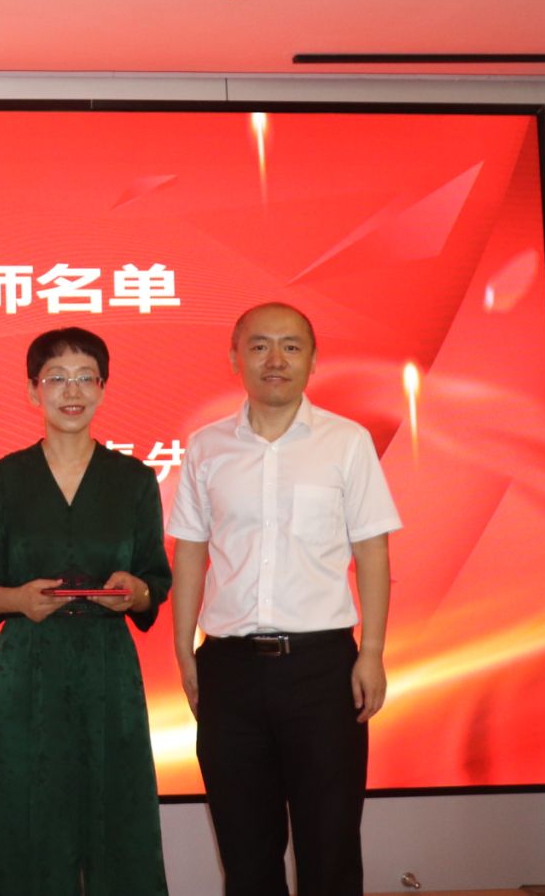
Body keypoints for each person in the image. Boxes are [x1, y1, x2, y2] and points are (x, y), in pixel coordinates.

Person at [168, 302, 401, 896]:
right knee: (247, 853)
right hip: (230, 670)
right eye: (259, 346)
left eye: (291, 346)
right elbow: (190, 551)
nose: (276, 359)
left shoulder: (346, 442)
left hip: (323, 670)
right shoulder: (206, 447)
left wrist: (372, 651)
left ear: (313, 360)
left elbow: (372, 550)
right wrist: (185, 650)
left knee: (330, 847)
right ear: (235, 358)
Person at [0, 327, 173, 895]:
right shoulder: (5, 478)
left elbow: (156, 579)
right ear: (33, 390)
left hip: (109, 668)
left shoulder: (134, 479)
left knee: (116, 813)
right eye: (56, 378)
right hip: (26, 666)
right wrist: (18, 600)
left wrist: (135, 591)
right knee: (23, 813)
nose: (71, 391)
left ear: (103, 388)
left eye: (85, 378)